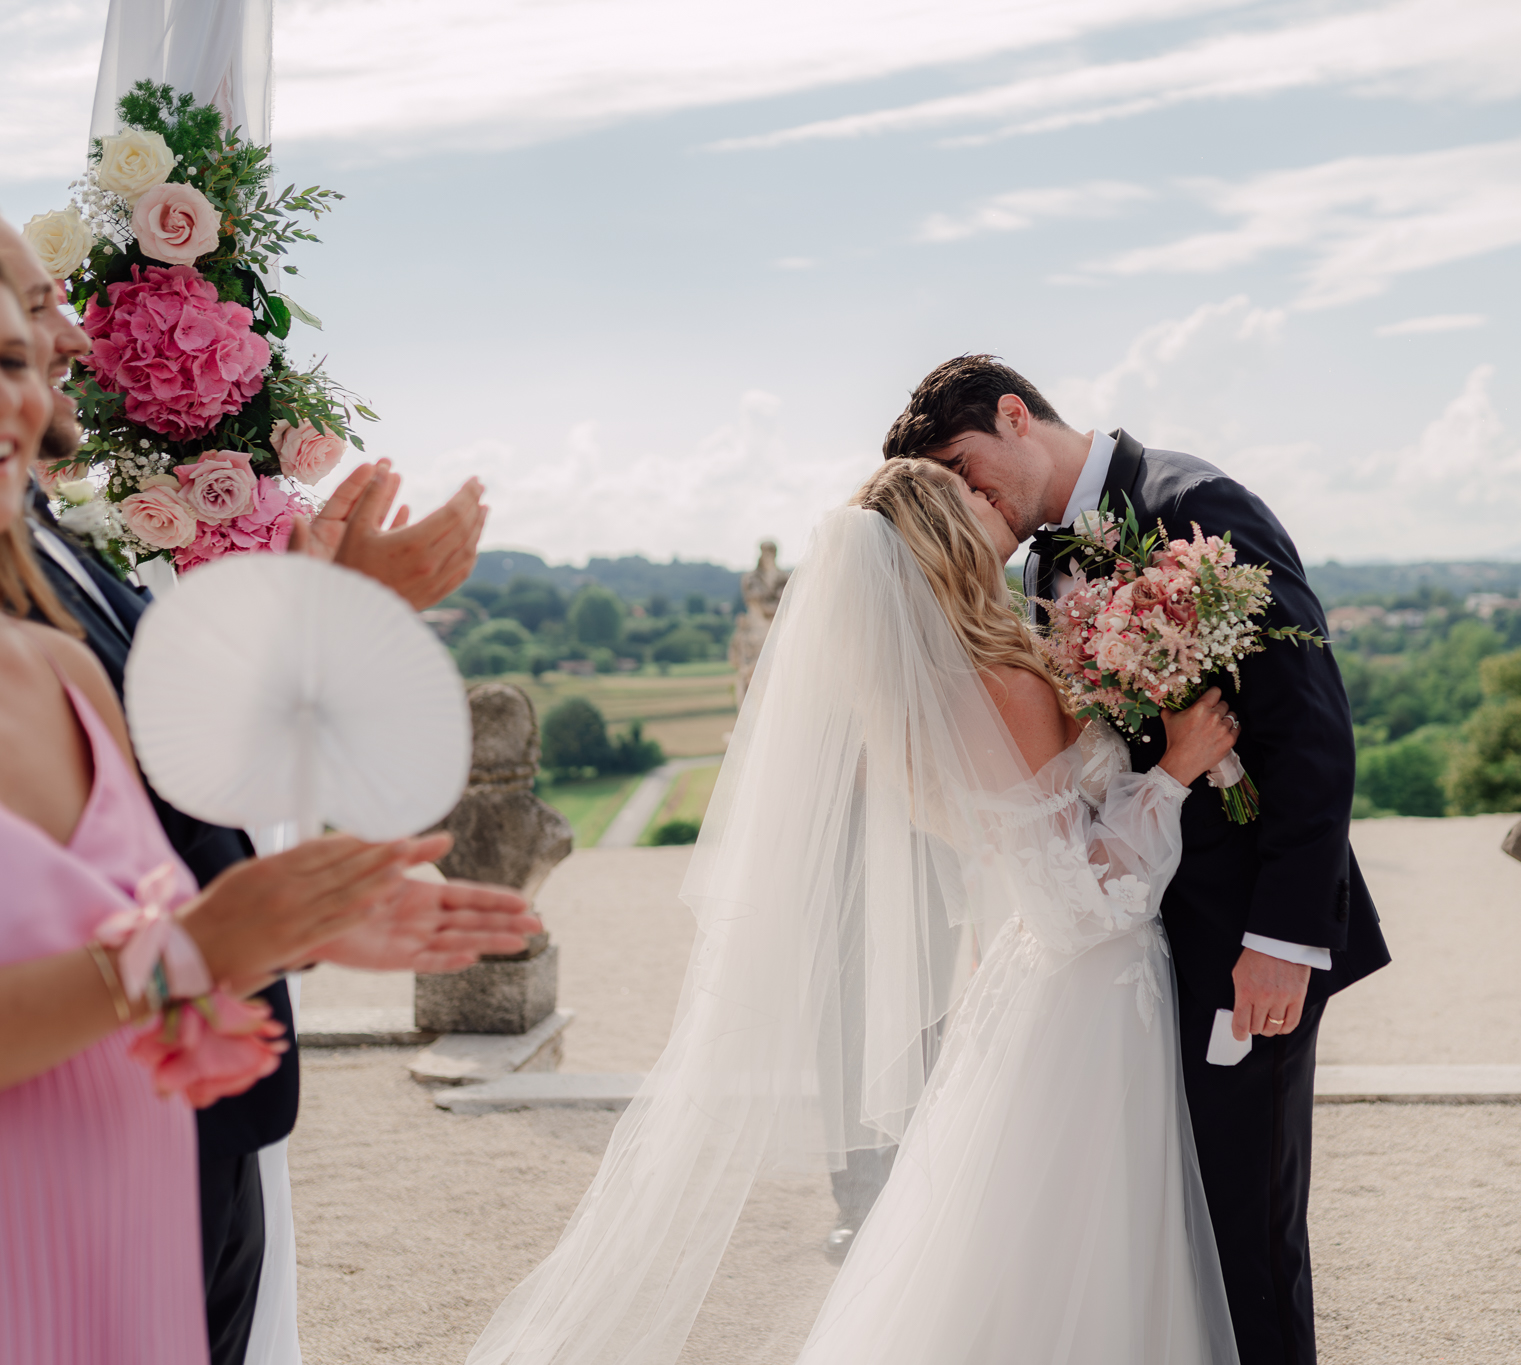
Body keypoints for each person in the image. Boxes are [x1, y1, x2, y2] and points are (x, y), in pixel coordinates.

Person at [469, 458, 1245, 1363]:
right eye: (970, 501)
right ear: (945, 540)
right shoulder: (1005, 688)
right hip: (1087, 992)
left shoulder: (931, 694)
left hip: (1034, 984)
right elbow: (1079, 904)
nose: (992, 506)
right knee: (1081, 1261)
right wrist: (1173, 772)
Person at [0, 254, 539, 1365]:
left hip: (150, 1176)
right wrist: (196, 947)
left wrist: (282, 920)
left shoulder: (49, 643)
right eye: (27, 328)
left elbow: (156, 808)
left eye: (21, 338)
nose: (44, 362)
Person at [885, 356, 1388, 1363]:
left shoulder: (1191, 504)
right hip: (1127, 954)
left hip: (1244, 948)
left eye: (960, 465)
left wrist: (1283, 937)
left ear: (1014, 415)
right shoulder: (1038, 568)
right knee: (1162, 1242)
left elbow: (1309, 730)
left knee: (1245, 1234)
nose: (964, 498)